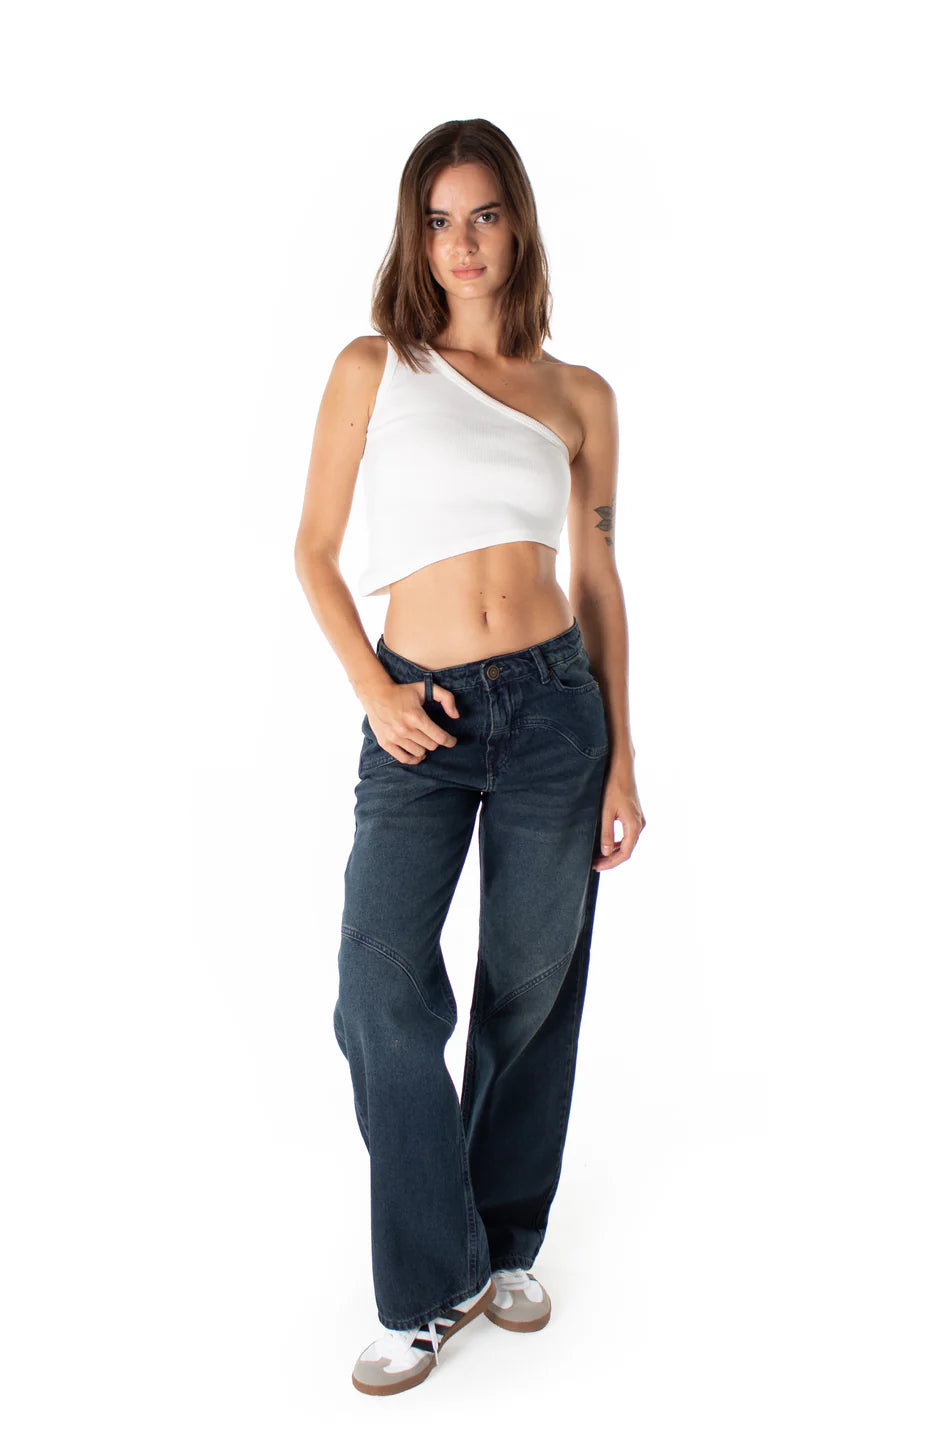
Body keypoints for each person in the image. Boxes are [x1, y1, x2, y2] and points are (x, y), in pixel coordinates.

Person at [294, 117, 645, 1396]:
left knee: (530, 991)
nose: (462, 242)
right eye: (439, 220)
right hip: (419, 715)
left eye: (483, 214)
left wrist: (622, 757)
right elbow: (313, 552)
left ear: (517, 225)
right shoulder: (372, 368)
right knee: (379, 996)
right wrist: (374, 688)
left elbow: (597, 582)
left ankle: (505, 1245)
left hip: (555, 712)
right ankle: (429, 1278)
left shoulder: (579, 396)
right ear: (416, 235)